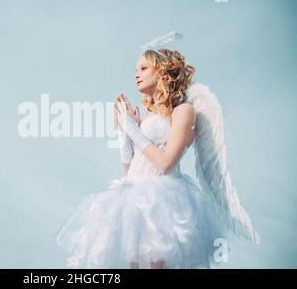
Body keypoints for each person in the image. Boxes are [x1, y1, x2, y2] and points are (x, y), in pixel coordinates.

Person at [55, 32, 260, 269]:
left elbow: (165, 164)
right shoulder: (148, 115)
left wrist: (133, 129)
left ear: (162, 72)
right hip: (132, 200)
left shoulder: (183, 111)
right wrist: (123, 132)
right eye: (136, 69)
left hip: (163, 201)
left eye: (143, 68)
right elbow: (130, 169)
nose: (136, 74)